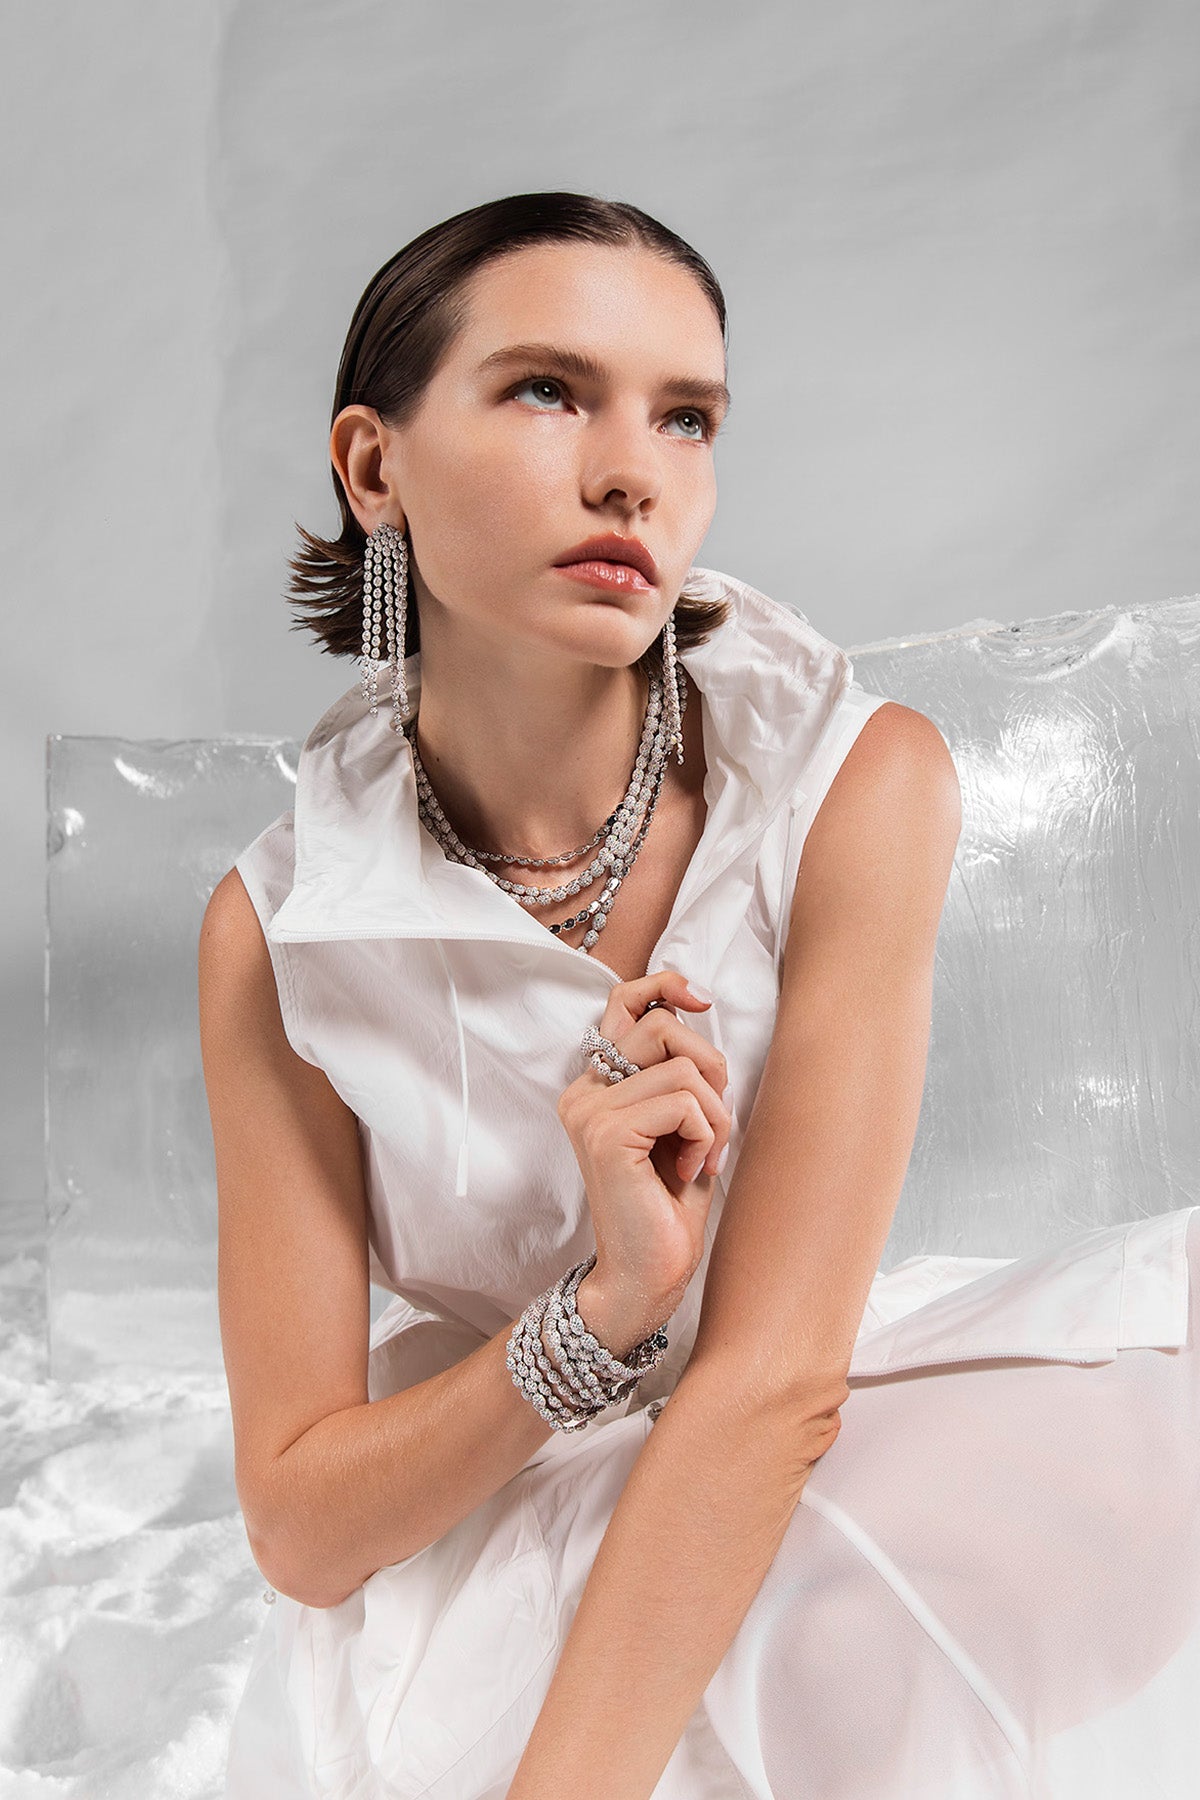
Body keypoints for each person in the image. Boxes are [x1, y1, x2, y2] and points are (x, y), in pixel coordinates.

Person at [199, 192, 1200, 1800]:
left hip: (816, 1439)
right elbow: (304, 1529)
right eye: (548, 390)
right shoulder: (282, 929)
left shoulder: (852, 780)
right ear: (375, 466)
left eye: (687, 416)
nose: (632, 470)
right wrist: (597, 1316)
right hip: (502, 1516)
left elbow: (774, 1383)